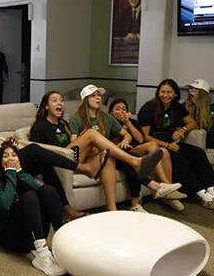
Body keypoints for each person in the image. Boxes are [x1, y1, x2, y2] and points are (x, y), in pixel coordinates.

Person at [0, 98, 90, 222]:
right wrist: (0, 154)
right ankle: (80, 168)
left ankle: (66, 209)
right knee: (33, 149)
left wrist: (4, 145)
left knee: (43, 163)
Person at [29, 90, 163, 212]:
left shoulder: (63, 124)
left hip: (74, 157)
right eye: (55, 100)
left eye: (61, 100)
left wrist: (87, 147)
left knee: (107, 155)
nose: (60, 103)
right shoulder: (40, 126)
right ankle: (135, 161)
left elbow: (72, 144)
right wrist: (85, 140)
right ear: (46, 106)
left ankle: (112, 209)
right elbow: (41, 154)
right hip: (61, 162)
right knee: (91, 133)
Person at [69, 85, 182, 213]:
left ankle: (114, 209)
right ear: (85, 100)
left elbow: (127, 135)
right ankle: (150, 181)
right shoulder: (76, 119)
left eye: (99, 95)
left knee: (112, 154)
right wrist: (91, 147)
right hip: (84, 157)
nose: (98, 98)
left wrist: (124, 141)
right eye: (93, 96)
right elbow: (74, 144)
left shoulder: (106, 118)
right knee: (107, 148)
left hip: (102, 155)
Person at [137, 78, 214, 212]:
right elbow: (146, 136)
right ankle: (205, 197)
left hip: (171, 142)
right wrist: (168, 146)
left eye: (169, 92)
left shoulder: (175, 106)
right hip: (155, 145)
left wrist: (182, 129)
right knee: (179, 160)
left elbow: (192, 122)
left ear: (175, 94)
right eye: (162, 92)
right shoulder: (149, 108)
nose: (165, 95)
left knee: (197, 152)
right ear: (158, 93)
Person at [0, 143, 66, 276]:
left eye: (14, 155)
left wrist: (20, 173)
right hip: (11, 238)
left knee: (47, 190)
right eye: (6, 156)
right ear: (0, 161)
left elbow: (41, 192)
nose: (11, 159)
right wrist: (11, 174)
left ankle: (61, 242)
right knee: (29, 196)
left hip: (34, 234)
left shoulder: (23, 175)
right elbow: (5, 204)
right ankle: (42, 254)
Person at [108, 98, 187, 211]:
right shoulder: (110, 123)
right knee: (153, 146)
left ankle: (168, 191)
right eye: (118, 109)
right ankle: (164, 188)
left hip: (136, 149)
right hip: (123, 152)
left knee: (163, 151)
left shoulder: (131, 122)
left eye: (124, 109)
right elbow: (111, 144)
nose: (121, 111)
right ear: (111, 112)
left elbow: (140, 139)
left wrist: (127, 122)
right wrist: (123, 131)